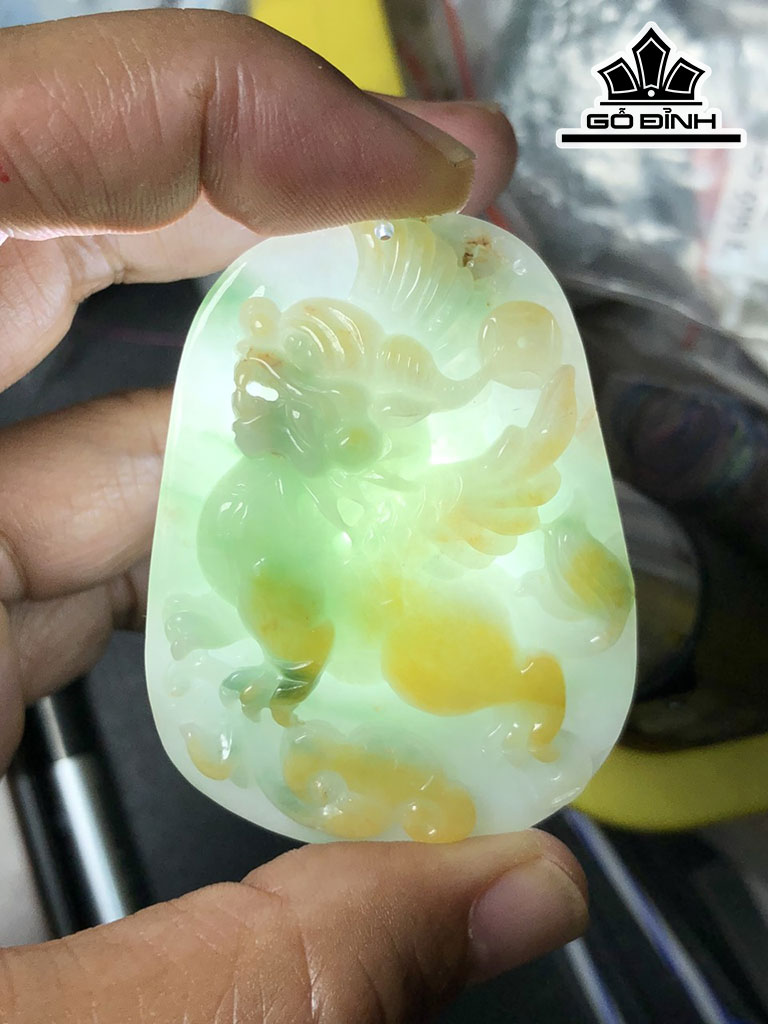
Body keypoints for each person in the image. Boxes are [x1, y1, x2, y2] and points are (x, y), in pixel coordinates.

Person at [0, 9, 588, 1021]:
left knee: (424, 658)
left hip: (376, 654)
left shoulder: (350, 475)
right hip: (298, 656)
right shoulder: (274, 455)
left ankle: (509, 689)